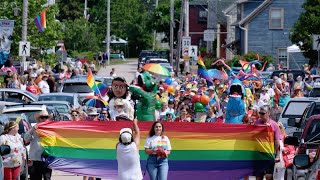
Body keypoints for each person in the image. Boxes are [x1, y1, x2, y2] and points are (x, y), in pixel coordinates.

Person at [254, 105, 281, 180]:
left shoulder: (274, 125)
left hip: (269, 154)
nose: (261, 115)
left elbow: (277, 140)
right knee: (258, 177)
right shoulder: (256, 123)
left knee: (269, 176)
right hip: (258, 155)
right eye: (260, 113)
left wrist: (277, 155)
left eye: (263, 113)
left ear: (268, 113)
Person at [24, 110, 52, 180]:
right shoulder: (34, 127)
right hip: (35, 158)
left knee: (47, 177)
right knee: (35, 178)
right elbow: (26, 138)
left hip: (47, 157)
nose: (44, 119)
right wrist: (32, 130)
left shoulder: (51, 128)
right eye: (42, 117)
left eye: (46, 117)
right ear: (39, 119)